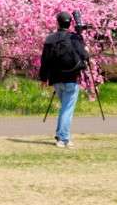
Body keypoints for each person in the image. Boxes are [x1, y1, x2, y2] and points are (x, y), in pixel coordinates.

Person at [39, 11, 88, 148]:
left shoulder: (50, 39)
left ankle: (60, 133)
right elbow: (85, 56)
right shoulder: (74, 38)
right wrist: (86, 48)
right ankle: (63, 138)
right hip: (71, 78)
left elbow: (45, 61)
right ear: (70, 23)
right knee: (67, 109)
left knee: (64, 108)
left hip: (56, 80)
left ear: (57, 22)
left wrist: (43, 78)